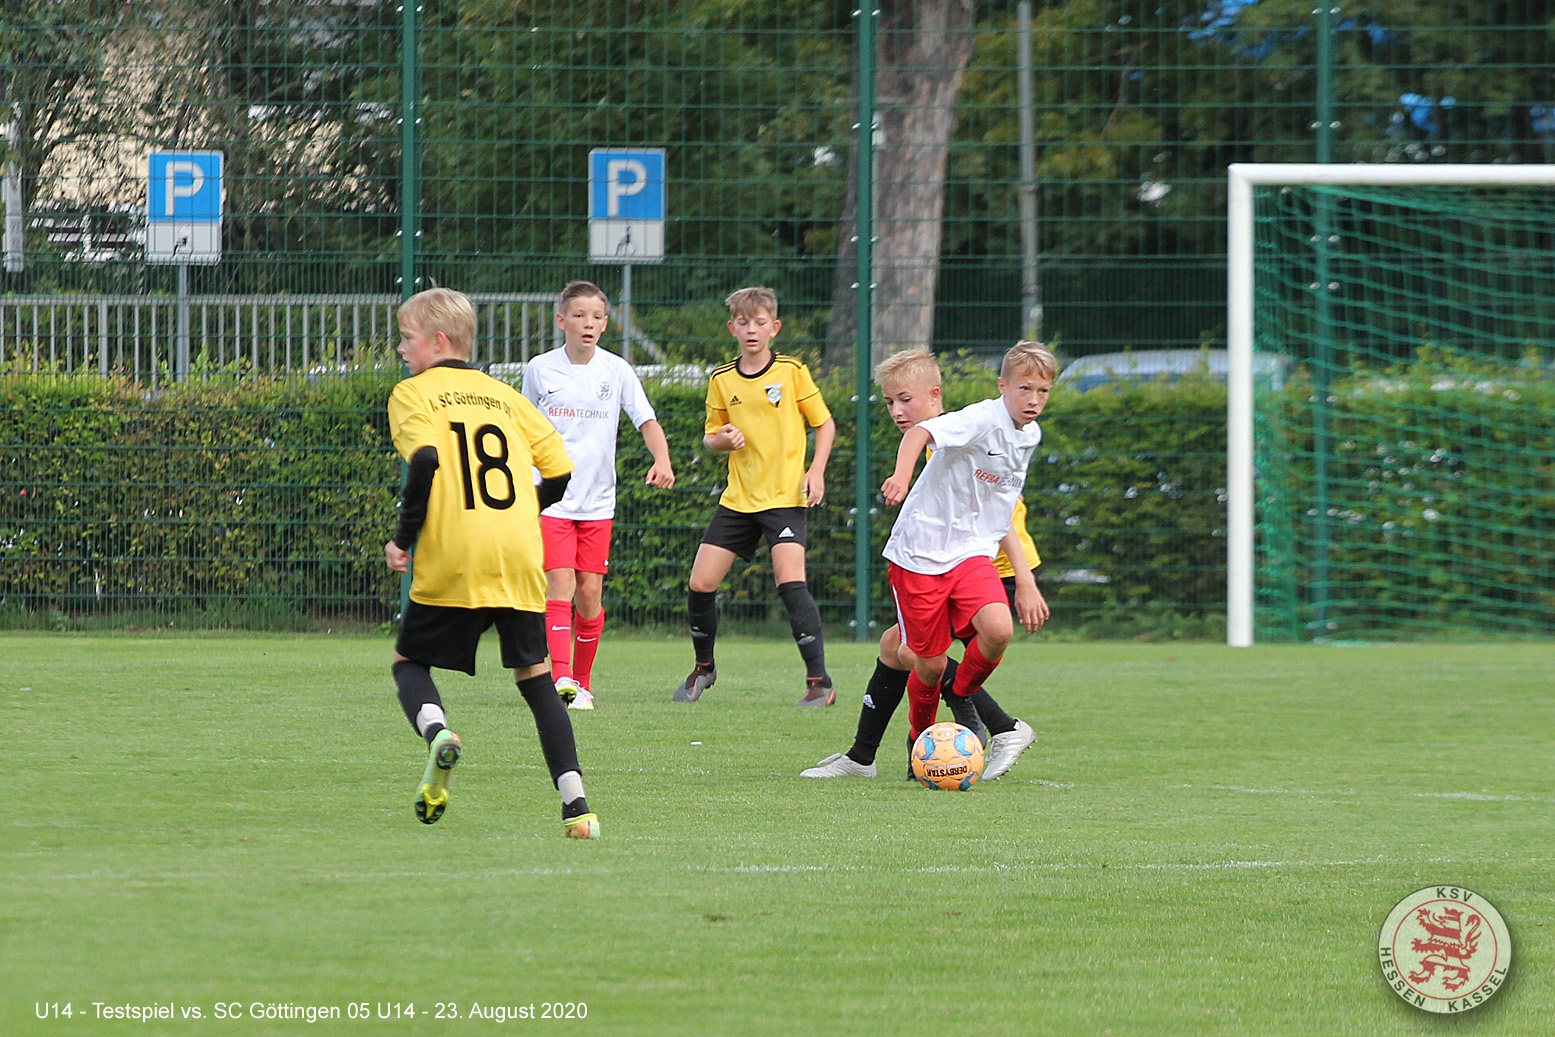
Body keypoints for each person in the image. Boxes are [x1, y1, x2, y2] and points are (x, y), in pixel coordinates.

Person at [384, 287, 599, 839]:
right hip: (519, 553)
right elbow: (560, 471)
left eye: (407, 338)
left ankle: (437, 732)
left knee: (409, 662)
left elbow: (426, 459)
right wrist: (525, 509)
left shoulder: (412, 393)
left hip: (456, 553)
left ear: (438, 341)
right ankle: (578, 808)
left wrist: (403, 539)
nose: (402, 349)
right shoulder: (505, 397)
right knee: (537, 679)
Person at [802, 347, 1045, 781]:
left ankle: (993, 729)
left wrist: (1025, 580)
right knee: (900, 649)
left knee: (915, 653)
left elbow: (1004, 513)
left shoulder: (963, 432)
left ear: (934, 396)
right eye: (890, 402)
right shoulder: (967, 435)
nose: (897, 411)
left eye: (905, 400)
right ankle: (868, 756)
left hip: (987, 564)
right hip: (945, 561)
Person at [876, 341, 1057, 756]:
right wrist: (901, 477)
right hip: (920, 557)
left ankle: (962, 698)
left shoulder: (1028, 434)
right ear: (1003, 386)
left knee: (999, 629)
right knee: (925, 661)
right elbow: (919, 433)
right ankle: (920, 743)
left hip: (971, 553)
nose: (1033, 400)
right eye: (1025, 389)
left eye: (1042, 391)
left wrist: (1025, 579)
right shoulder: (977, 420)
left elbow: (1002, 507)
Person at [673, 286, 838, 706]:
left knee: (791, 582)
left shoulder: (791, 371)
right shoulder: (721, 379)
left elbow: (824, 423)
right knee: (700, 583)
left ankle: (819, 682)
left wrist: (816, 470)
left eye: (760, 322)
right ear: (732, 328)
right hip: (738, 500)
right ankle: (704, 668)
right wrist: (722, 440)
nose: (752, 330)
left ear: (774, 327)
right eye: (744, 323)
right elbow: (711, 437)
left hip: (784, 497)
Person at [522, 280, 675, 711]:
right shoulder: (540, 369)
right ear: (561, 321)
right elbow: (522, 427)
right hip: (551, 498)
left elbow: (646, 420)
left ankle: (582, 683)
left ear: (605, 324)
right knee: (561, 583)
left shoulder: (617, 370)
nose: (587, 323)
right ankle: (561, 680)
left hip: (598, 502)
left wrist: (662, 460)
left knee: (589, 593)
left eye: (595, 317)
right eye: (579, 315)